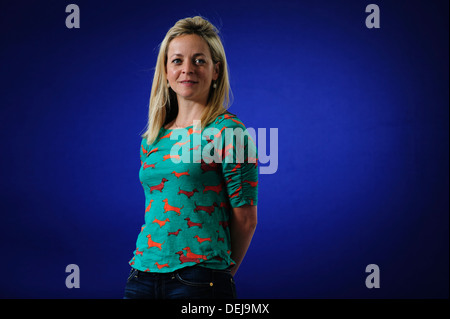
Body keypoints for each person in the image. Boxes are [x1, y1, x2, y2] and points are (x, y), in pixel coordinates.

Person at [123, 16, 258, 299]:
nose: (187, 69)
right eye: (177, 61)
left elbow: (246, 219)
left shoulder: (229, 132)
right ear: (166, 71)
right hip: (141, 275)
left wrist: (218, 275)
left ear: (216, 71)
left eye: (199, 60)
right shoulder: (153, 138)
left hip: (199, 278)